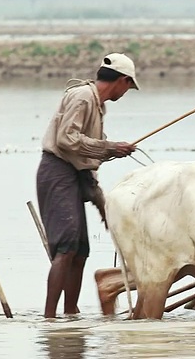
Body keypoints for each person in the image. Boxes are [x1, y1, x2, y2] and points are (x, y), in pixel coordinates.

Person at [36, 52, 139, 318]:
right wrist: (110, 147)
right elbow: (66, 140)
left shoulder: (98, 105)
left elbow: (85, 155)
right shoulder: (82, 96)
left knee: (81, 250)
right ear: (123, 81)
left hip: (76, 174)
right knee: (66, 247)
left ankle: (71, 314)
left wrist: (102, 203)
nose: (127, 92)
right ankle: (49, 318)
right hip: (57, 171)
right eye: (129, 86)